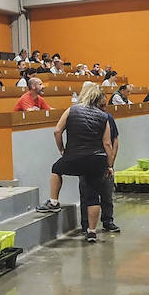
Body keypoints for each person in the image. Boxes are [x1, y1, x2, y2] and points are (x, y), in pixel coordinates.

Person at [45, 84, 114, 243]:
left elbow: (57, 131)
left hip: (74, 156)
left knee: (56, 168)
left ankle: (54, 201)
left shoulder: (72, 110)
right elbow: (107, 144)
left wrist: (62, 149)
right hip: (97, 160)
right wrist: (109, 165)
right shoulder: (104, 117)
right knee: (93, 196)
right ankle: (91, 232)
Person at [76, 82, 121, 235]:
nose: (104, 109)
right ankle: (86, 224)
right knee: (86, 195)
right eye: (101, 106)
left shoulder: (108, 117)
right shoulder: (83, 117)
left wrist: (111, 162)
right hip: (88, 161)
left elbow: (113, 141)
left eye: (105, 106)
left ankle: (108, 221)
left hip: (103, 161)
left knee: (107, 194)